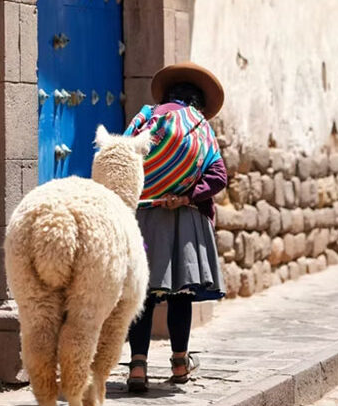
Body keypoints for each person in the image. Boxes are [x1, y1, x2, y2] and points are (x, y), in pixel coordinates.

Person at [123, 62, 228, 392]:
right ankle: (180, 364)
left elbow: (124, 155)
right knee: (180, 293)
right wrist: (185, 195)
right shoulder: (199, 124)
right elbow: (218, 175)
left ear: (168, 95)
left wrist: (149, 188)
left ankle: (137, 368)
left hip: (144, 217)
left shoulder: (145, 117)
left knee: (143, 294)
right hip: (184, 221)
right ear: (197, 103)